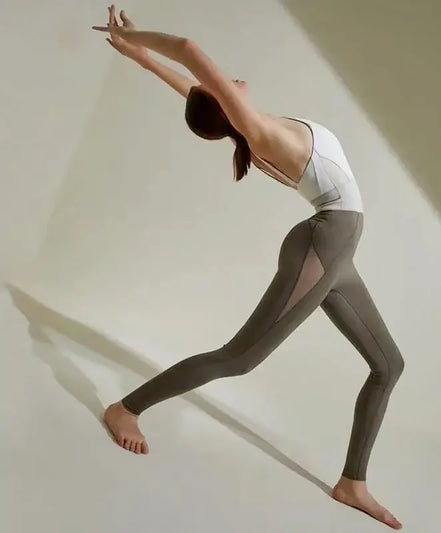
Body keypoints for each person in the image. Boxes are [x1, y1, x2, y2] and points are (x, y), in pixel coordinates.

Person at [93, 6, 404, 529]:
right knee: (239, 359)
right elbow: (189, 50)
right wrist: (133, 35)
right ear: (227, 105)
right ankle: (126, 409)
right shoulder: (256, 132)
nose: (219, 79)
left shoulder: (249, 127)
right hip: (322, 247)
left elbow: (191, 89)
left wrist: (142, 59)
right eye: (215, 86)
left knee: (388, 365)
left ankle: (352, 483)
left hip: (337, 254)